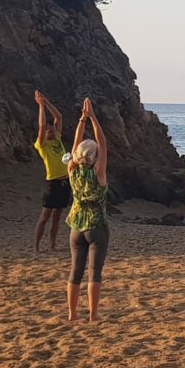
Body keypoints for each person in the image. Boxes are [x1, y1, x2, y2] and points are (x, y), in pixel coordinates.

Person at [65, 98, 109, 322]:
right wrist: (93, 118)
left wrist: (83, 120)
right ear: (94, 156)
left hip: (75, 226)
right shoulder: (98, 172)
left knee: (75, 271)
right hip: (96, 225)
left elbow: (74, 146)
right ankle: (93, 314)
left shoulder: (72, 170)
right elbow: (103, 143)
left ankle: (72, 313)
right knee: (94, 272)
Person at [33, 91, 71, 253]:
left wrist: (47, 102)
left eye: (52, 130)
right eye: (49, 131)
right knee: (45, 216)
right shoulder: (42, 146)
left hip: (65, 181)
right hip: (53, 182)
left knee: (57, 215)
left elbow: (59, 117)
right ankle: (36, 247)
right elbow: (41, 126)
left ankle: (52, 246)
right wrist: (41, 106)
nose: (51, 132)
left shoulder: (57, 139)